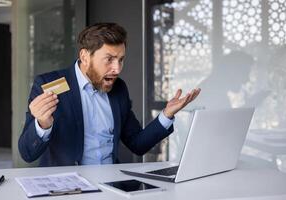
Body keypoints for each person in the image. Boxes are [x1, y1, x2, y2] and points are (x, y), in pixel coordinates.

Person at [18, 23, 200, 167]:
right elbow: (27, 153)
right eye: (109, 59)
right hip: (66, 188)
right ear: (85, 56)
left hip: (112, 186)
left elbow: (138, 144)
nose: (117, 69)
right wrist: (42, 124)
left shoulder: (119, 89)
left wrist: (167, 114)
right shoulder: (48, 85)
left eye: (121, 60)